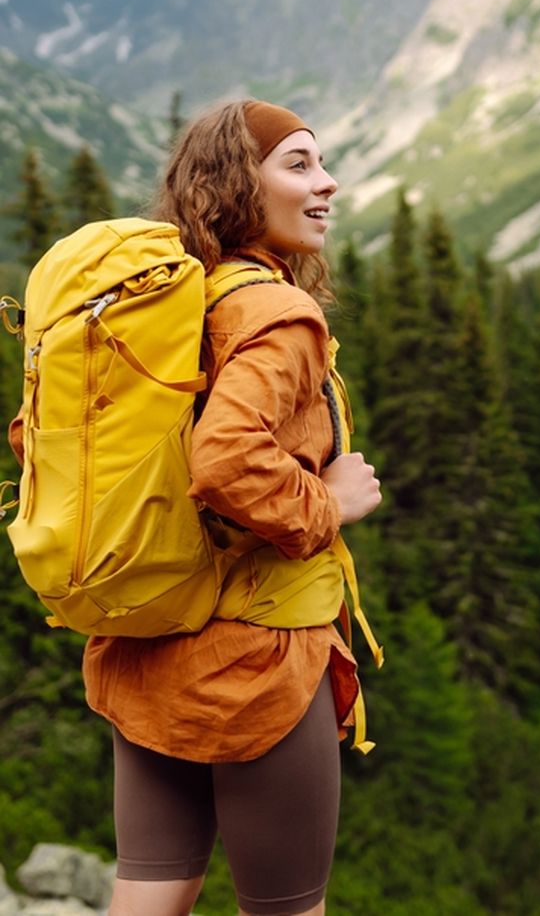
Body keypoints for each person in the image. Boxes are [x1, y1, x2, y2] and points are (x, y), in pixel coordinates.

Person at [81, 99, 382, 916]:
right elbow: (224, 460)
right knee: (287, 908)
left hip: (150, 643)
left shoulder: (171, 304)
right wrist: (328, 502)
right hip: (258, 665)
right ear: (236, 185)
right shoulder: (277, 314)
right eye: (299, 165)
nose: (327, 183)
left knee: (150, 891)